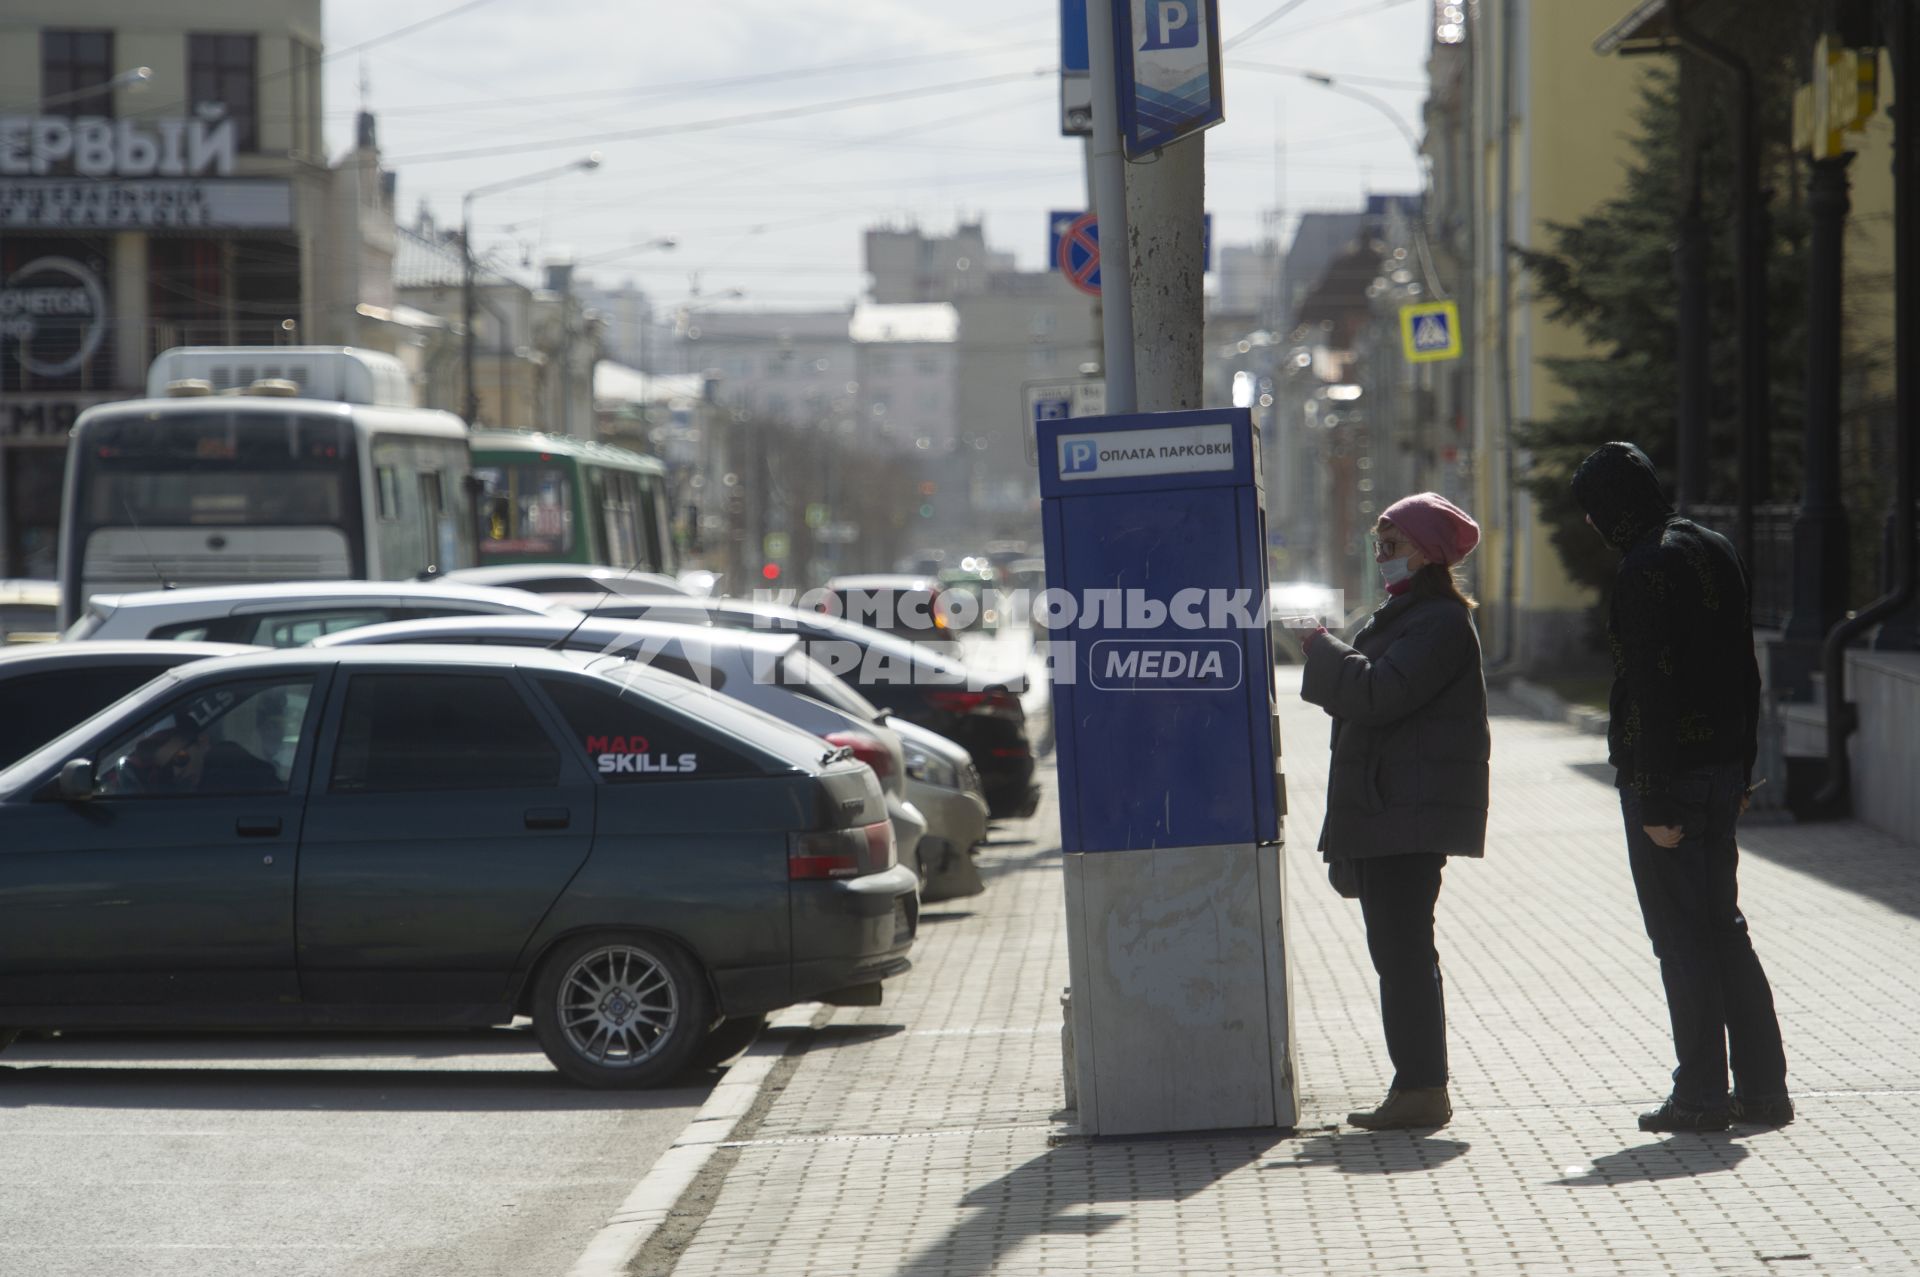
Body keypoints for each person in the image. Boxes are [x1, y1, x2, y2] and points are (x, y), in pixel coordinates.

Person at [1571, 442, 1791, 1133]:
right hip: (1723, 770)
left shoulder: (1643, 569)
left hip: (1667, 778)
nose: (1591, 526)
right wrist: (1745, 765)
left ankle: (1700, 1094)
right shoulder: (1714, 548)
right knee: (1723, 927)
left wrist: (1658, 799)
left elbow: (1652, 690)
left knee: (1682, 938)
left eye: (1592, 511)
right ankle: (1763, 1089)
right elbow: (1745, 668)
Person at [1298, 492, 1489, 1131]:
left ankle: (1421, 1089)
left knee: (1403, 952)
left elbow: (1380, 694)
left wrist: (1321, 647)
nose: (1382, 557)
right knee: (1398, 951)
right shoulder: (1409, 614)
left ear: (1428, 553)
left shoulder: (1436, 622)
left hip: (1405, 814)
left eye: (1393, 544)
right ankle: (1415, 1084)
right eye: (1378, 544)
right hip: (1392, 807)